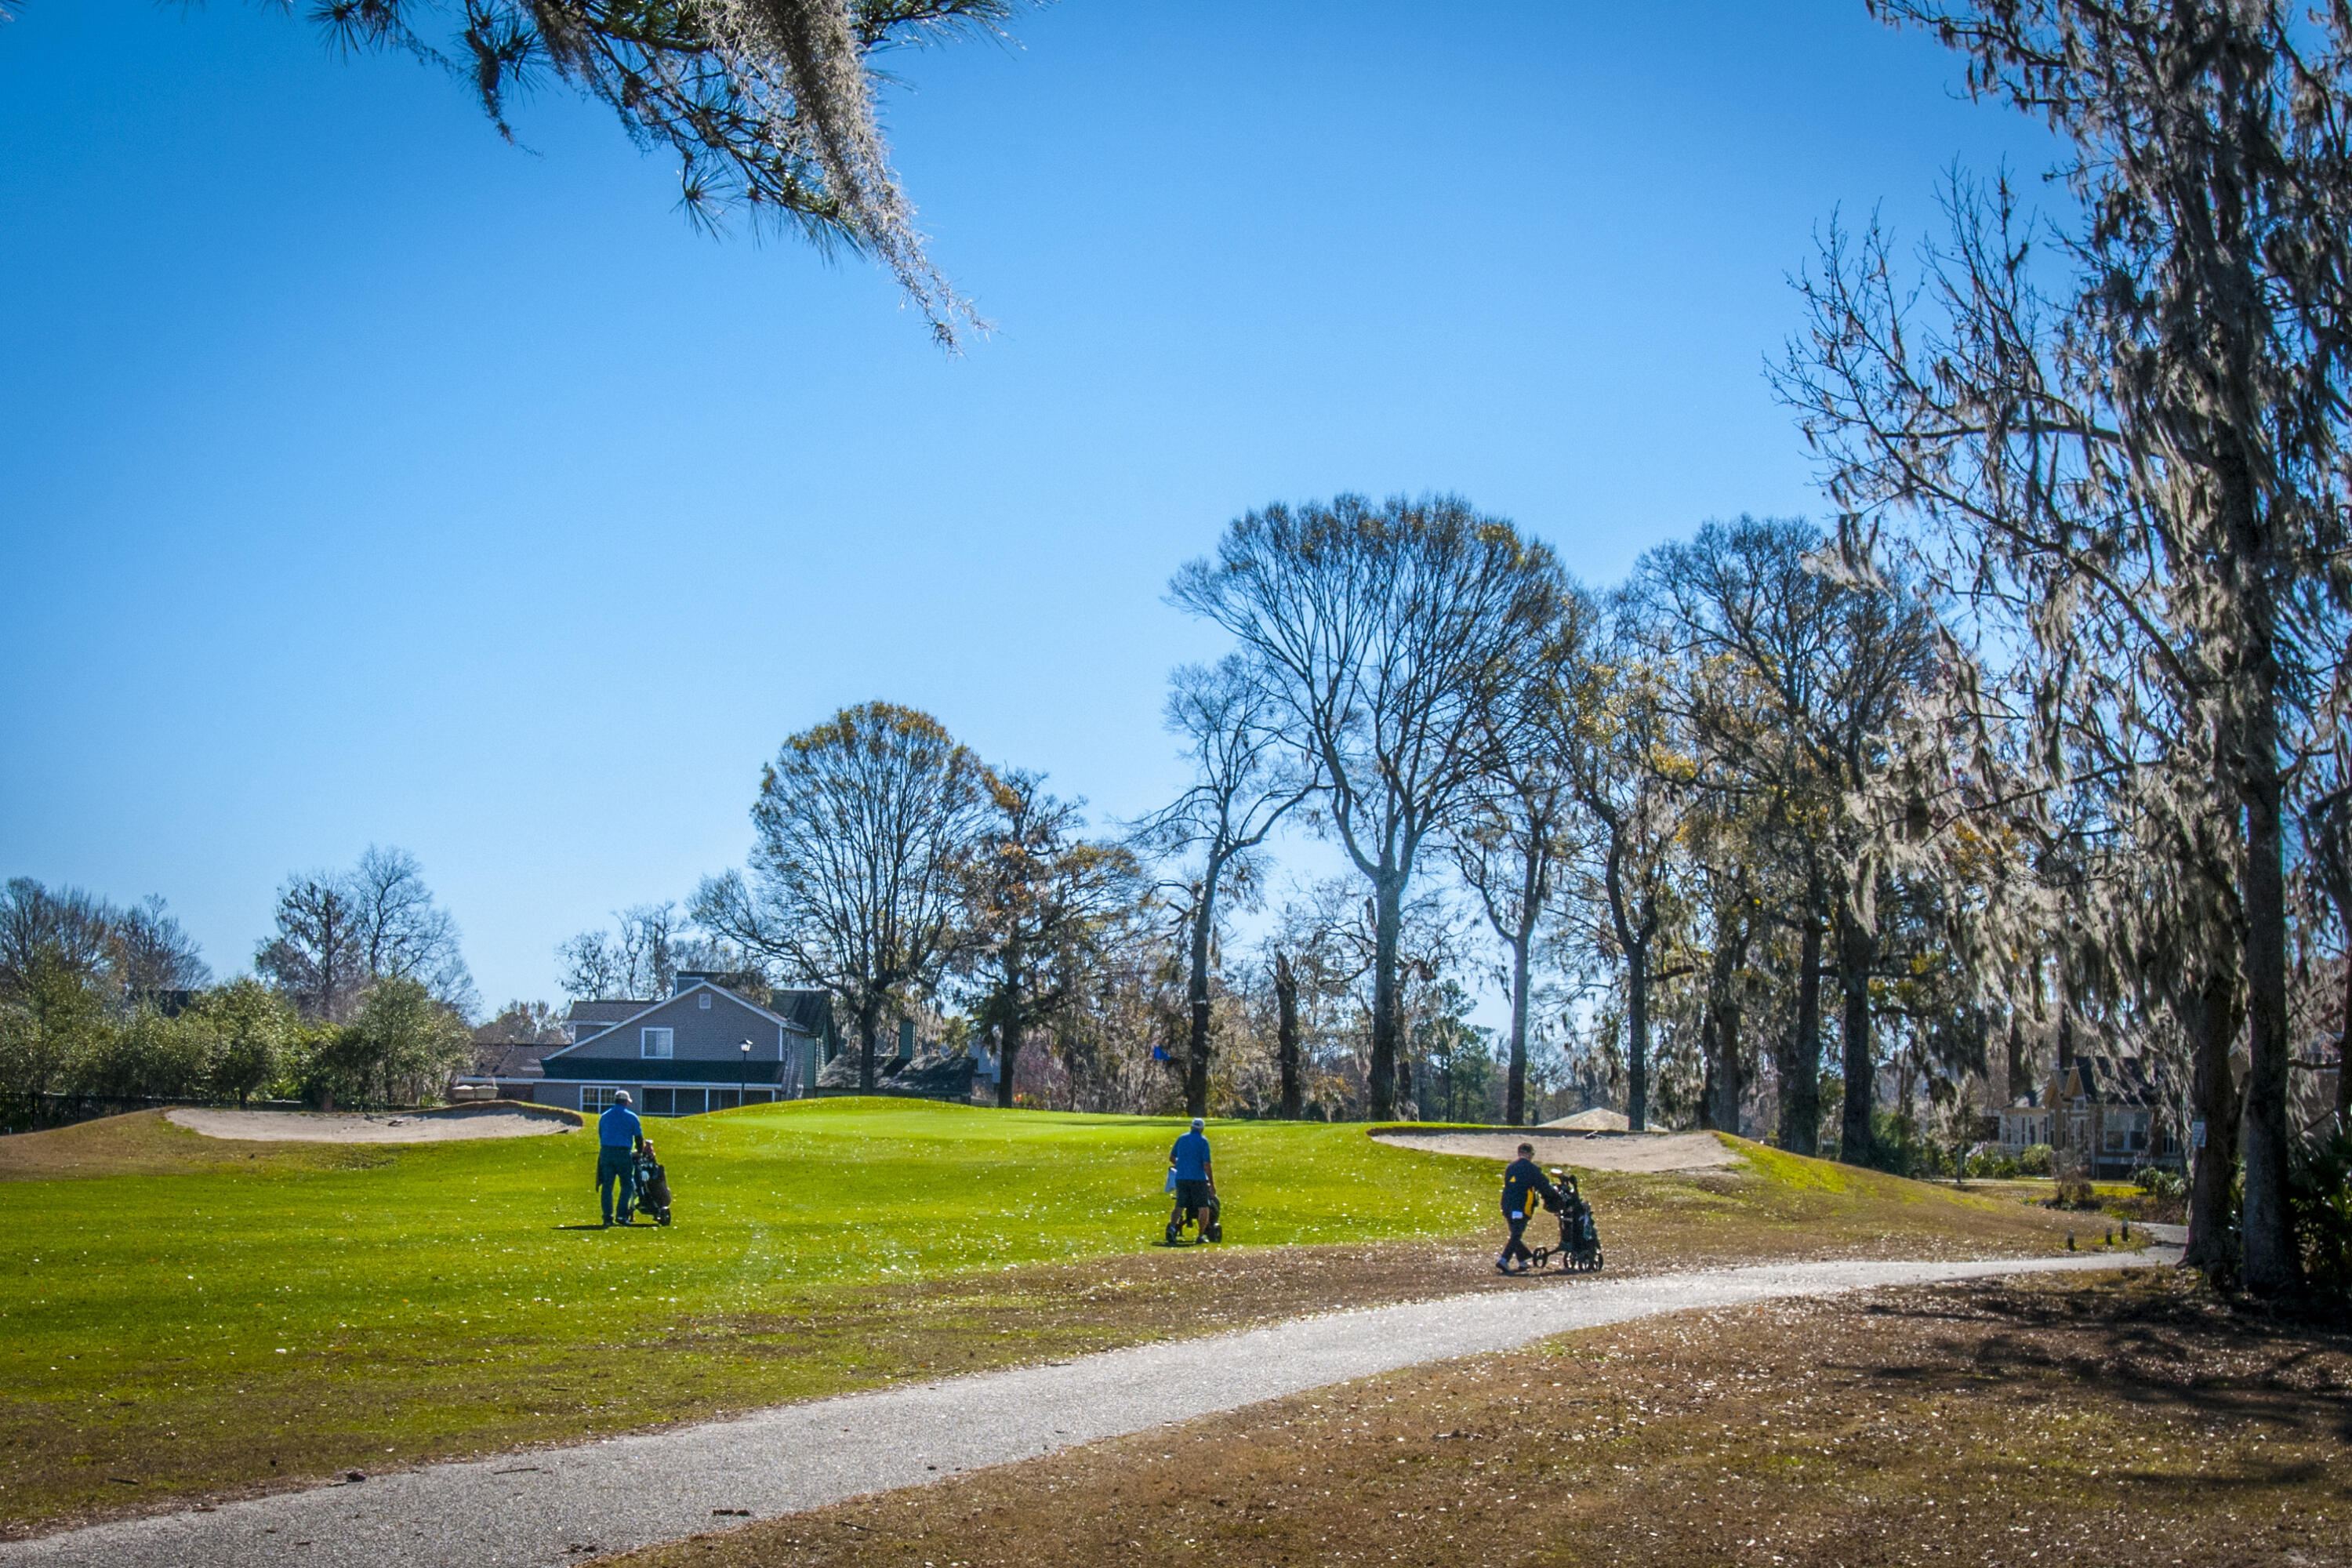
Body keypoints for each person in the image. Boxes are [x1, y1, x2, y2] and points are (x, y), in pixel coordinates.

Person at [1497, 1142, 1561, 1274]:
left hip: (1506, 1204)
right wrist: (1555, 1193)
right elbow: (1544, 1186)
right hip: (1521, 1205)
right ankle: (1504, 1259)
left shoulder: (1510, 1167)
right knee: (1517, 1233)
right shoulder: (1532, 1169)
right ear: (1529, 1153)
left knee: (1515, 1232)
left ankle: (1522, 1259)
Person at [597, 1091, 644, 1227]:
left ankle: (607, 1217)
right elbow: (639, 1138)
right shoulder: (631, 1117)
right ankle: (622, 1216)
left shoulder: (604, 1116)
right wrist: (639, 1152)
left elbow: (602, 1134)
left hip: (606, 1152)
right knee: (627, 1185)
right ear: (625, 1102)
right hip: (623, 1153)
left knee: (607, 1186)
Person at [1166, 1116, 1216, 1244]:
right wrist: (1212, 1184)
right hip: (1198, 1179)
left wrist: (1181, 1165)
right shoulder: (1203, 1141)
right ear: (1202, 1129)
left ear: (1191, 1127)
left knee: (1180, 1205)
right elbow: (1206, 1164)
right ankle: (1200, 1236)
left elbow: (1172, 1157)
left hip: (1181, 1177)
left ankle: (1172, 1227)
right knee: (1203, 1207)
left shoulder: (1182, 1138)